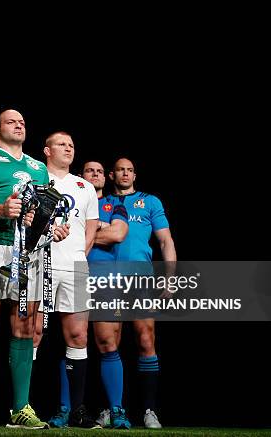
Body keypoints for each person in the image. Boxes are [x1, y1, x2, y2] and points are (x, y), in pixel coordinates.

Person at [0, 109, 69, 429]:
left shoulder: (38, 167)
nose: (19, 124)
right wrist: (0, 209)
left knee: (24, 328)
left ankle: (21, 407)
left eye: (22, 121)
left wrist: (53, 229)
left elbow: (46, 213)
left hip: (29, 254)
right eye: (11, 121)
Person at [93, 157, 176, 429]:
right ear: (111, 174)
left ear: (135, 175)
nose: (125, 174)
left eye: (129, 170)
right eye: (120, 170)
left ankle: (150, 409)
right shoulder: (98, 203)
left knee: (145, 339)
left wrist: (169, 279)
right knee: (108, 342)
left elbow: (165, 240)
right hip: (105, 278)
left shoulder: (150, 202)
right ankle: (110, 407)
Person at [31, 133, 101, 428]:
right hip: (39, 262)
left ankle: (78, 410)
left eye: (72, 144)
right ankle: (22, 407)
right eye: (62, 144)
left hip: (74, 267)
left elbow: (91, 227)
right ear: (47, 151)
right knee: (32, 333)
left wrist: (78, 257)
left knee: (78, 336)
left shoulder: (84, 186)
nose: (69, 147)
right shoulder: (35, 176)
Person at [82, 160, 131, 429]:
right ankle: (67, 410)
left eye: (100, 171)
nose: (96, 174)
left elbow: (118, 234)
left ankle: (117, 410)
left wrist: (87, 233)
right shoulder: (73, 201)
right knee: (73, 342)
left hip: (105, 278)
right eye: (90, 170)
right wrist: (99, 228)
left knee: (107, 343)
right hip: (75, 275)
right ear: (82, 176)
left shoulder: (115, 204)